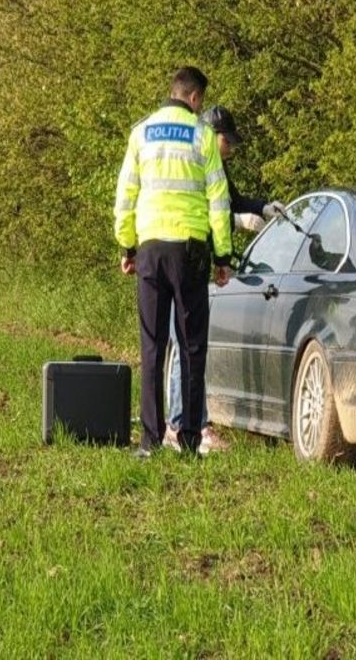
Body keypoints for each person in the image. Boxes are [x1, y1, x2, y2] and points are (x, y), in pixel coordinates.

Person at [114, 66, 233, 457]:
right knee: (191, 346)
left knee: (152, 347)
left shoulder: (141, 132)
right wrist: (222, 256)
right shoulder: (202, 136)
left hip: (149, 249)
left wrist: (127, 246)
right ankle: (189, 439)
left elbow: (126, 196)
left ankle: (149, 441)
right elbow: (219, 201)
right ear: (195, 98)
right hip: (190, 252)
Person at [163, 105, 285, 452]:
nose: (230, 147)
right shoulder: (196, 162)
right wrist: (237, 223)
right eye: (227, 140)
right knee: (187, 345)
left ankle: (183, 425)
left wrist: (261, 207)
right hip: (185, 258)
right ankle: (188, 427)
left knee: (186, 345)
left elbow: (232, 200)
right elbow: (205, 210)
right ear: (211, 136)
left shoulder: (215, 165)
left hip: (192, 261)